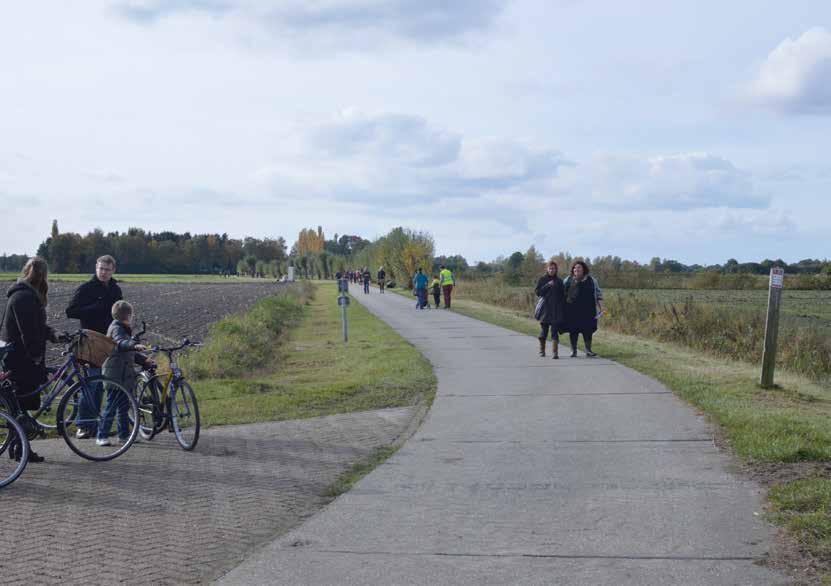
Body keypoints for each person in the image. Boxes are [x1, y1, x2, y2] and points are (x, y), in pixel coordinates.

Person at [0, 257, 59, 463]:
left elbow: (33, 326)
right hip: (21, 360)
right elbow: (28, 332)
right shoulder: (25, 297)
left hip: (15, 357)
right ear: (43, 276)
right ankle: (21, 450)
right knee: (21, 406)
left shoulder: (21, 294)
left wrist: (51, 333)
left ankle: (19, 450)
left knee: (21, 406)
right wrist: (35, 357)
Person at [65, 255, 123, 438]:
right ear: (96, 268)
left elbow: (119, 313)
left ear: (113, 270)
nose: (104, 272)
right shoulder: (86, 288)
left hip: (110, 341)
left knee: (107, 384)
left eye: (107, 269)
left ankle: (98, 425)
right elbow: (70, 311)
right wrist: (94, 308)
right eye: (101, 269)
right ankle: (83, 425)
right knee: (92, 384)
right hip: (90, 341)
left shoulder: (115, 289)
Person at [97, 301, 153, 446]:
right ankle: (101, 436)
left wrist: (144, 361)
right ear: (127, 316)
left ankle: (124, 436)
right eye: (132, 315)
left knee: (123, 407)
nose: (133, 317)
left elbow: (129, 353)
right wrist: (134, 345)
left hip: (122, 375)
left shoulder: (121, 327)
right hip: (115, 376)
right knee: (111, 407)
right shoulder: (117, 328)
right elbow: (121, 343)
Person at [563, 260, 604, 357]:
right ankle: (573, 351)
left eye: (579, 267)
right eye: (575, 268)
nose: (576, 269)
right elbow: (562, 294)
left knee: (588, 330)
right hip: (572, 311)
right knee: (573, 330)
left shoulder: (592, 280)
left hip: (588, 311)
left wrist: (601, 307)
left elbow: (598, 294)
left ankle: (588, 350)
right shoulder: (568, 280)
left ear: (583, 269)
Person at [534, 261, 565, 359]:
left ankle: (555, 353)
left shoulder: (560, 281)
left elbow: (563, 295)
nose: (552, 270)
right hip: (545, 310)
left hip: (556, 310)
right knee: (544, 331)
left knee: (554, 332)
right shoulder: (542, 279)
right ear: (547, 269)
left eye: (554, 268)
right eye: (550, 268)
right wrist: (547, 285)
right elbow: (538, 292)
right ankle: (542, 350)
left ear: (556, 270)